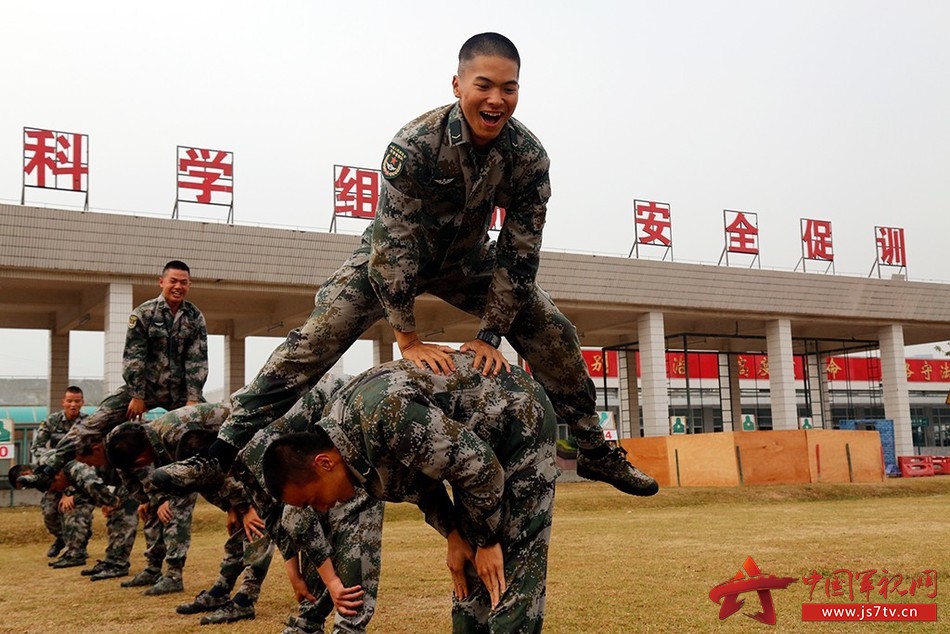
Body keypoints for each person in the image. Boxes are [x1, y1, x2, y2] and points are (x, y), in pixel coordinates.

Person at [156, 32, 656, 500]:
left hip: (465, 260)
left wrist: (490, 336)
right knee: (312, 343)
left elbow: (519, 254)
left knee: (554, 330)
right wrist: (409, 339)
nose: (495, 100)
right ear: (458, 84)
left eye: (509, 88)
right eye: (483, 85)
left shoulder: (528, 157)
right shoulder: (415, 145)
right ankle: (217, 455)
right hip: (393, 259)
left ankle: (594, 451)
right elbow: (392, 250)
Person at [263, 352, 558, 633]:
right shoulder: (346, 440)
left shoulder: (384, 416)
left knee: (510, 572)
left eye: (314, 499)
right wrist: (455, 534)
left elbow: (481, 468)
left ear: (324, 463)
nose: (324, 509)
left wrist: (488, 539)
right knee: (468, 569)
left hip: (519, 421)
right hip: (473, 452)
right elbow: (420, 483)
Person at [25, 260, 207, 485]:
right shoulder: (144, 313)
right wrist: (137, 395)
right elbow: (133, 357)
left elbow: (197, 360)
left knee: (212, 425)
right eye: (173, 281)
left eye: (184, 282)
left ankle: (239, 490)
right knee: (93, 424)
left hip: (180, 392)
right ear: (161, 282)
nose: (178, 286)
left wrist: (193, 399)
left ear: (189, 285)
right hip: (143, 389)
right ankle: (47, 470)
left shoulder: (195, 317)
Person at [103, 403, 230, 596]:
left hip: (248, 439)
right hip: (223, 452)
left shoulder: (174, 433)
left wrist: (236, 506)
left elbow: (207, 473)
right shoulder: (146, 438)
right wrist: (148, 500)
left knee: (174, 508)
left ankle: (173, 576)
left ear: (139, 462)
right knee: (158, 508)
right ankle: (154, 569)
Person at [29, 385, 87, 557]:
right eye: (69, 401)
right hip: (55, 475)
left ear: (82, 403)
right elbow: (37, 447)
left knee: (74, 511)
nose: (73, 405)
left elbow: (92, 451)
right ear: (63, 402)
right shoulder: (51, 421)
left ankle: (78, 545)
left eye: (77, 401)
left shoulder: (89, 423)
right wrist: (52, 459)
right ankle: (61, 538)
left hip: (79, 476)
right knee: (49, 513)